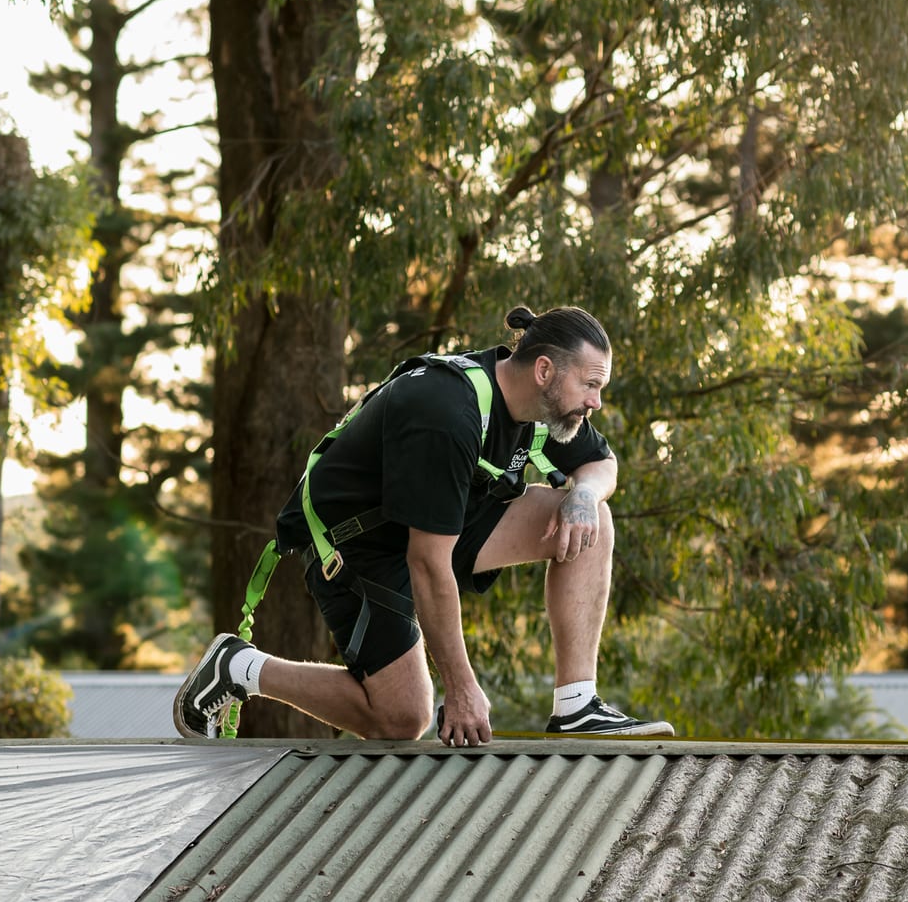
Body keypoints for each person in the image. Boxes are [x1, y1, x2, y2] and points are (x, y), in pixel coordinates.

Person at [173, 304, 671, 744]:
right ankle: (238, 667)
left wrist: (582, 494)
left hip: (442, 521)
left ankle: (577, 707)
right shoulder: (446, 411)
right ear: (545, 370)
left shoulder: (546, 409)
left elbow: (602, 465)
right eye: (590, 385)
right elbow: (428, 565)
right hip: (358, 542)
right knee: (401, 719)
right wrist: (461, 688)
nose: (595, 402)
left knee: (594, 520)